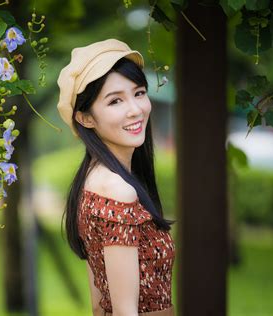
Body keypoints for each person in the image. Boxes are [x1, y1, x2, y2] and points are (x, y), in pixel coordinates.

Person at [56, 39, 175, 316]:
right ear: (85, 118)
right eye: (115, 101)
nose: (135, 109)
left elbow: (99, 305)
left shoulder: (90, 180)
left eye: (139, 93)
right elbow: (124, 311)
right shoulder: (116, 190)